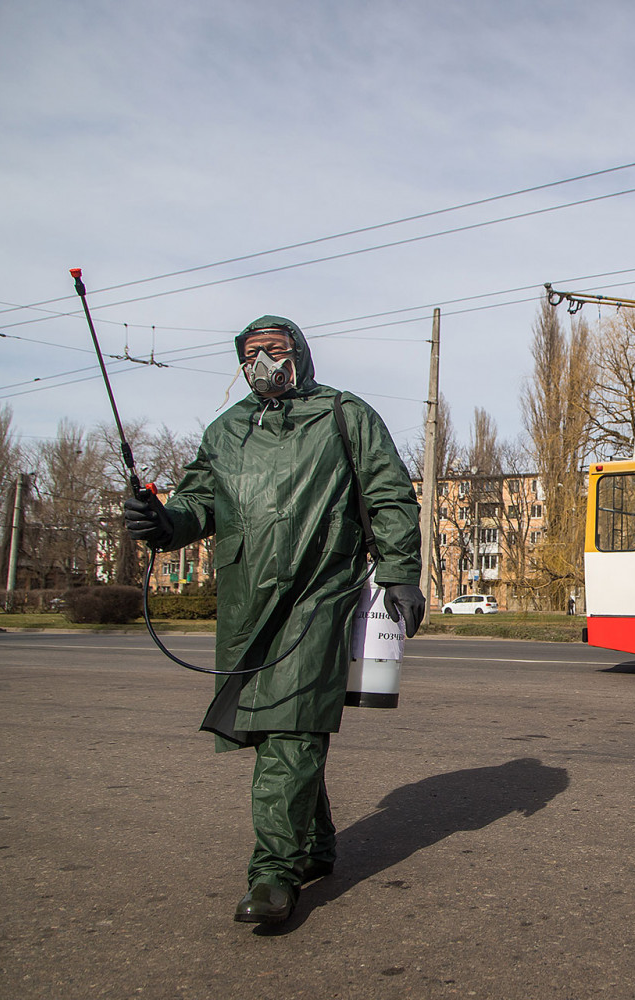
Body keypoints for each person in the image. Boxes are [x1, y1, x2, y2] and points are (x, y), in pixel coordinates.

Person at [123, 315, 425, 925]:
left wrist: (400, 569)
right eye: (251, 353)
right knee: (274, 727)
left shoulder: (344, 415)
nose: (264, 361)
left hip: (321, 593)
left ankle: (273, 874)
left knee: (289, 727)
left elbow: (388, 492)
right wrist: (164, 523)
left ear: (300, 354)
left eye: (276, 349)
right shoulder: (226, 429)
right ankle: (313, 845)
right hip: (247, 600)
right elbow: (198, 502)